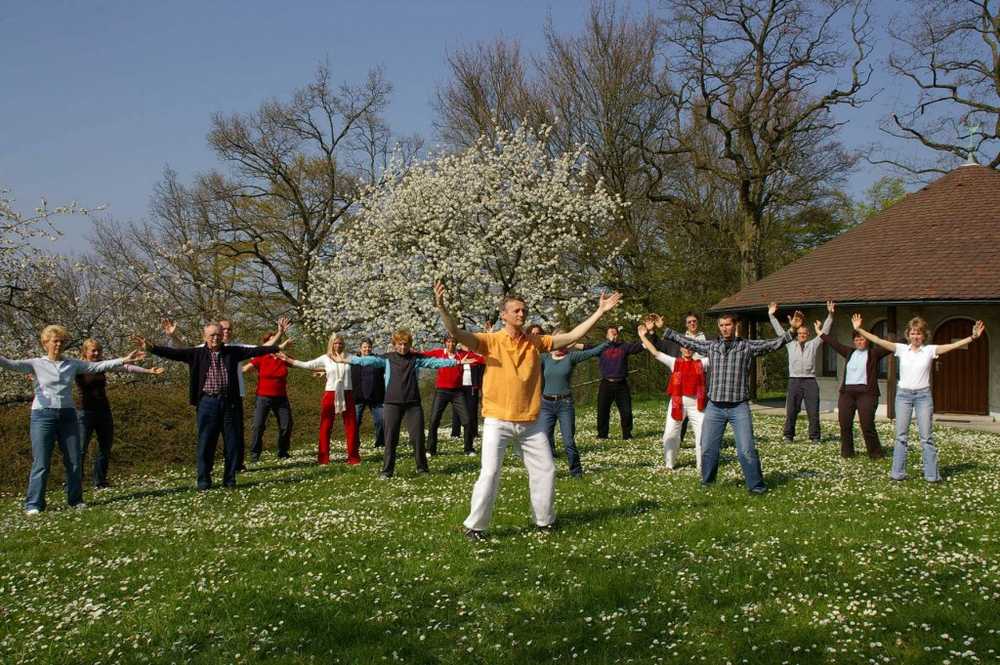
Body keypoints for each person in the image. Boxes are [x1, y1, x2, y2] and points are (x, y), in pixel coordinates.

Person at [434, 280, 622, 541]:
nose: (522, 314)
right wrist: (442, 308)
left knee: (546, 470)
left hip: (530, 421)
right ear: (503, 315)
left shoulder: (535, 342)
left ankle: (544, 522)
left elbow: (571, 337)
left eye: (524, 310)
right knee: (489, 473)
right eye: (516, 311)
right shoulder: (490, 341)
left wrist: (600, 312)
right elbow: (455, 332)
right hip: (497, 420)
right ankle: (475, 527)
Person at [1, 326, 146, 514]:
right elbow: (10, 364)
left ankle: (75, 500)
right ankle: (34, 504)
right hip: (42, 415)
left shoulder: (72, 364)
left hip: (68, 415)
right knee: (42, 462)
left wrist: (124, 360)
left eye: (62, 341)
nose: (59, 344)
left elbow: (96, 366)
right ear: (46, 343)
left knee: (74, 460)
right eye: (55, 341)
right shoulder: (35, 363)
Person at [663, 308, 799, 494]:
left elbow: (771, 344)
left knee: (746, 450)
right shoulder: (711, 347)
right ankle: (707, 483)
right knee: (708, 449)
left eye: (728, 325)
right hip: (715, 407)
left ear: (735, 326)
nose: (725, 328)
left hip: (739, 407)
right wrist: (666, 330)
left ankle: (757, 487)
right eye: (722, 325)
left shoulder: (746, 346)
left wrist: (791, 332)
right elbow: (688, 341)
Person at [134, 324, 277, 490]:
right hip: (207, 404)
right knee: (206, 443)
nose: (215, 338)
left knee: (232, 444)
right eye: (211, 335)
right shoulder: (197, 354)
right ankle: (204, 481)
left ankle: (229, 480)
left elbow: (257, 350)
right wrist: (151, 348)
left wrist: (277, 344)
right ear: (204, 337)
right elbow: (173, 353)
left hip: (229, 403)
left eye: (217, 334)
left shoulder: (233, 352)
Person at [853, 314, 985, 482]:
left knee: (926, 437)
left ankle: (932, 476)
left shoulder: (929, 351)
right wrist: (859, 329)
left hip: (923, 396)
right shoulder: (901, 349)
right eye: (913, 333)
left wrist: (972, 337)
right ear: (908, 334)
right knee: (901, 436)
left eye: (919, 333)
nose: (916, 336)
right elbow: (878, 340)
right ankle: (897, 473)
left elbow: (952, 346)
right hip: (903, 397)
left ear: (924, 335)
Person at [163, 316, 289, 471]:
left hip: (235, 396)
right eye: (223, 329)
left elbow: (263, 348)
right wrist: (172, 336)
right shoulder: (205, 347)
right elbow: (184, 351)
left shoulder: (237, 348)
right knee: (210, 435)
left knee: (235, 434)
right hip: (209, 399)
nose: (226, 332)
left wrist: (279, 333)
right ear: (216, 332)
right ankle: (207, 471)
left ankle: (236, 465)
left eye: (229, 329)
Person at [341, 330, 458, 478]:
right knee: (390, 438)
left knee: (417, 438)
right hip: (391, 404)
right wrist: (348, 359)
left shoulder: (415, 358)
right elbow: (367, 360)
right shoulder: (388, 358)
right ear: (394, 345)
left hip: (413, 404)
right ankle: (387, 471)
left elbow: (435, 362)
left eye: (406, 344)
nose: (403, 347)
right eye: (399, 344)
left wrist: (456, 361)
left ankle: (422, 469)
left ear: (410, 345)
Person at [76, 338, 164, 488]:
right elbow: (58, 372)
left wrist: (149, 371)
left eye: (99, 350)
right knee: (80, 449)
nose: (97, 353)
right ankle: (74, 482)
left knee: (105, 447)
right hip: (85, 412)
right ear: (85, 352)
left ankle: (100, 481)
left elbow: (126, 367)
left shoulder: (102, 365)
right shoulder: (77, 367)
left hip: (104, 410)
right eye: (93, 350)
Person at [638, 324, 708, 472]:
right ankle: (669, 465)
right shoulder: (674, 362)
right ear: (681, 349)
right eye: (684, 347)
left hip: (698, 405)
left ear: (694, 348)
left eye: (690, 346)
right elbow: (655, 353)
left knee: (703, 435)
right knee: (670, 433)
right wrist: (643, 336)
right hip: (677, 403)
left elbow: (720, 353)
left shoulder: (703, 363)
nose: (687, 349)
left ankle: (702, 466)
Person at [817, 319, 891, 459]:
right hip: (847, 394)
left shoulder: (874, 353)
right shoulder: (849, 352)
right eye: (857, 339)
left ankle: (876, 454)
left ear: (867, 340)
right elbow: (834, 344)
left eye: (862, 339)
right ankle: (847, 453)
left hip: (867, 394)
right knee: (845, 424)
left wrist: (907, 338)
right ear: (853, 341)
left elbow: (890, 347)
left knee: (867, 425)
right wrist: (820, 333)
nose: (859, 342)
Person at [284, 333, 361, 465]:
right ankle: (323, 459)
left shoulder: (350, 357)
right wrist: (288, 359)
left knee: (351, 426)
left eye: (340, 343)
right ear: (331, 344)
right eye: (335, 343)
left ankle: (353, 458)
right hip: (330, 393)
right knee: (325, 426)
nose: (338, 345)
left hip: (347, 393)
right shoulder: (325, 358)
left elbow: (360, 363)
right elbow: (308, 365)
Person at [538, 331, 608, 477]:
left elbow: (594, 352)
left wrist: (609, 341)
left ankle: (576, 472)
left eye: (562, 341)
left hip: (564, 404)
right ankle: (547, 470)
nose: (559, 344)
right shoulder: (544, 358)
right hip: (546, 405)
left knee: (568, 441)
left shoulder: (571, 357)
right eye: (556, 340)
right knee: (544, 439)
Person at [769, 301, 833, 443]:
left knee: (813, 411)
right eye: (800, 333)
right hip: (794, 381)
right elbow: (780, 333)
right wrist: (771, 316)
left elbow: (825, 333)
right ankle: (788, 435)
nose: (802, 335)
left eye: (805, 333)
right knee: (791, 411)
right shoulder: (790, 344)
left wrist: (830, 315)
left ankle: (815, 437)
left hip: (810, 381)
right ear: (796, 335)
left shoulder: (813, 344)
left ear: (808, 335)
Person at [424, 335, 484, 456]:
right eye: (448, 342)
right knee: (434, 420)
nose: (451, 344)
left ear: (456, 343)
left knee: (467, 421)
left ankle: (469, 449)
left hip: (457, 392)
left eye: (453, 342)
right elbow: (423, 355)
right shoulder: (439, 353)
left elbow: (480, 359)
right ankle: (430, 449)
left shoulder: (462, 354)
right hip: (441, 391)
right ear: (445, 343)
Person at [242, 333, 295, 462]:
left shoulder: (283, 357)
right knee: (258, 425)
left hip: (281, 398)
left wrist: (319, 369)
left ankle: (283, 452)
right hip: (263, 397)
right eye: (271, 342)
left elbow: (300, 364)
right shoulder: (261, 357)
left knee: (286, 425)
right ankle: (255, 455)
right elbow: (245, 369)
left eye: (277, 342)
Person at [596, 326, 644, 440]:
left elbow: (642, 346)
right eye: (611, 333)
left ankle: (627, 435)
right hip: (606, 383)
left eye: (615, 333)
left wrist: (647, 335)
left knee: (626, 411)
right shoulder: (601, 348)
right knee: (602, 410)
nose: (613, 335)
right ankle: (602, 435)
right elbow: (584, 348)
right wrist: (568, 342)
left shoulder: (624, 347)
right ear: (606, 336)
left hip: (621, 384)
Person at [351, 339, 385, 449]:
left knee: (381, 420)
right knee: (354, 422)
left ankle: (380, 443)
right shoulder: (353, 361)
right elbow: (340, 369)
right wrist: (324, 370)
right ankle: (355, 444)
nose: (367, 349)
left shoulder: (377, 361)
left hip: (376, 397)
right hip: (358, 397)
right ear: (360, 348)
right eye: (365, 347)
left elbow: (390, 370)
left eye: (369, 347)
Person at [450, 341, 486, 444]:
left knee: (472, 410)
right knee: (457, 411)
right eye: (464, 344)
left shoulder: (474, 356)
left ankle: (473, 433)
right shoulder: (458, 355)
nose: (466, 346)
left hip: (471, 387)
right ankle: (455, 433)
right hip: (459, 387)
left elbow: (483, 360)